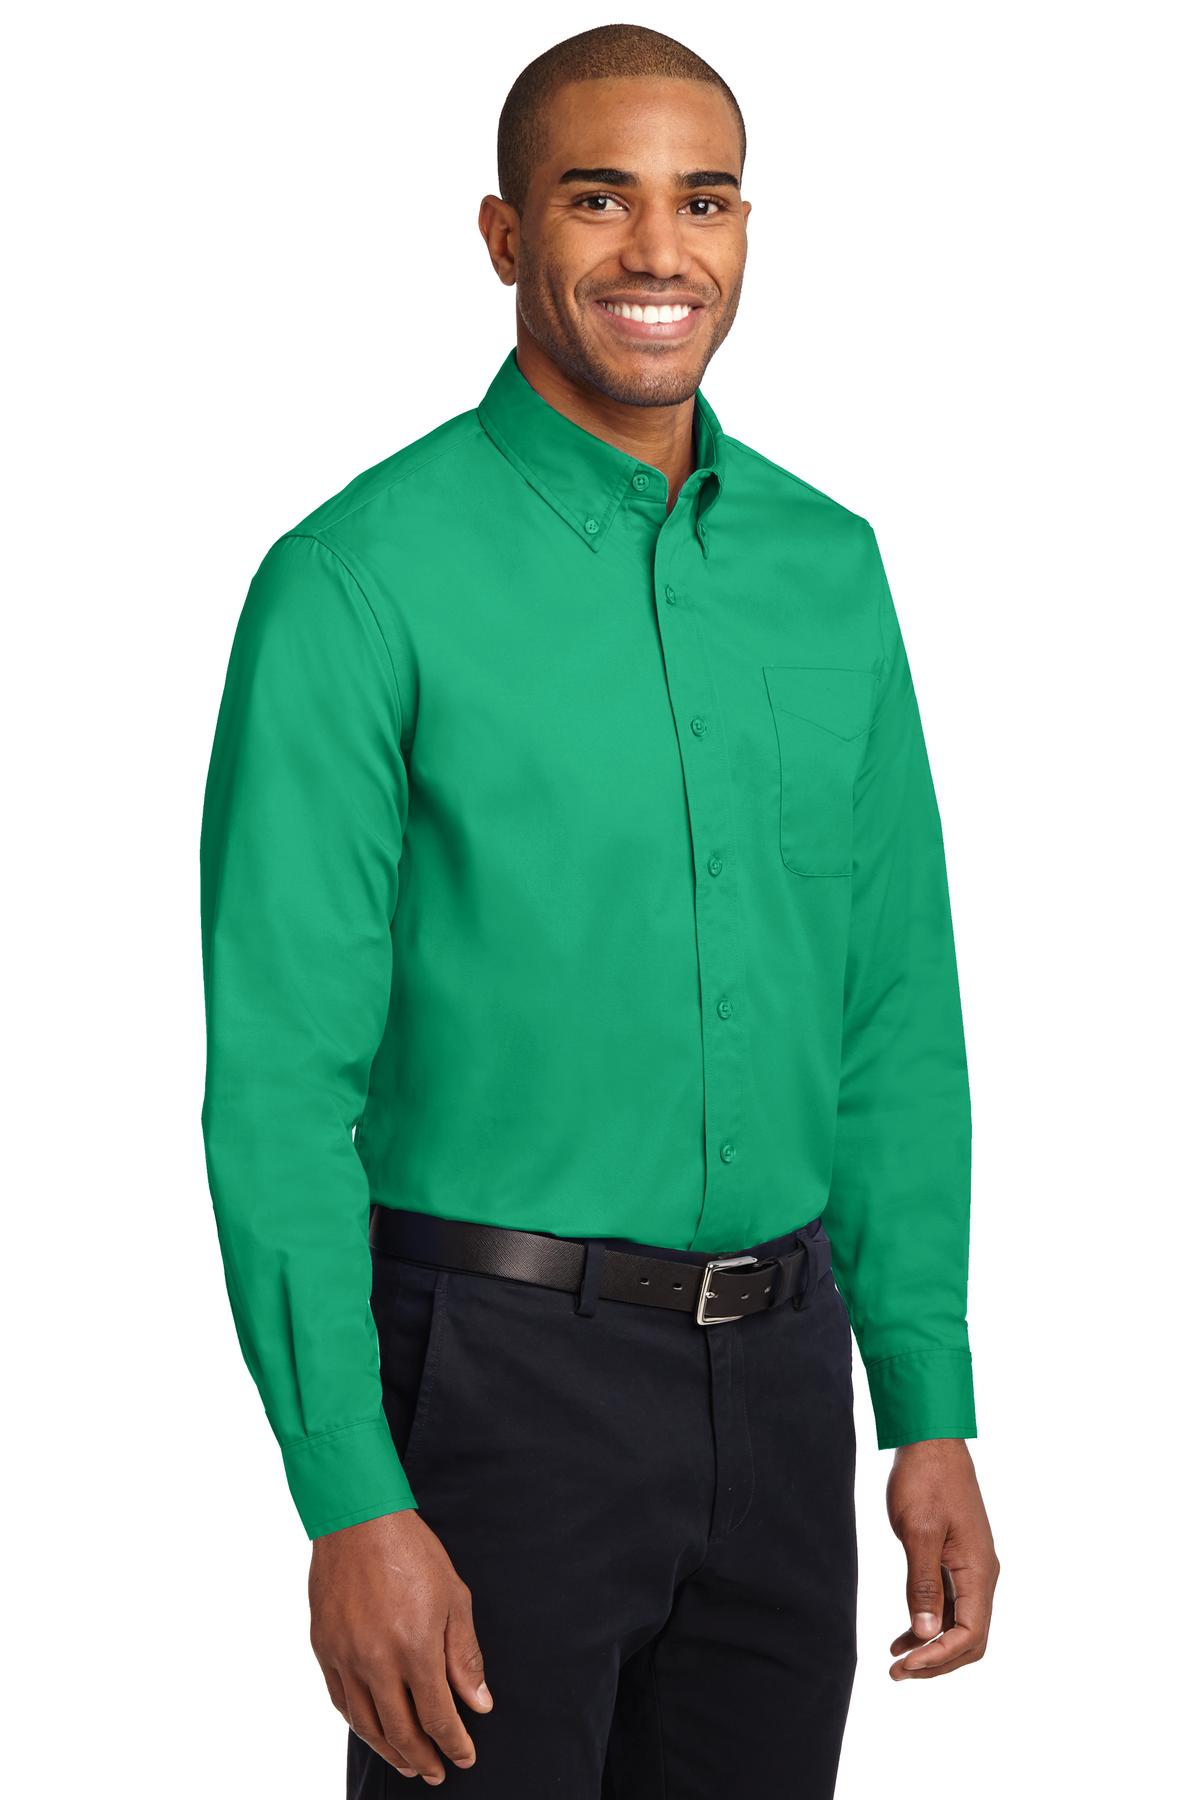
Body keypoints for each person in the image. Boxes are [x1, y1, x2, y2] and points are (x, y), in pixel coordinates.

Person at [199, 23, 1000, 1797]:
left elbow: (890, 1014)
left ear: (746, 227)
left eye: (703, 200)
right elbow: (277, 1087)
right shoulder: (354, 580)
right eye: (597, 198)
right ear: (503, 234)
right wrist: (349, 1497)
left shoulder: (831, 566)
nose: (659, 250)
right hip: (492, 1382)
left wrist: (926, 1402)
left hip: (783, 1382)